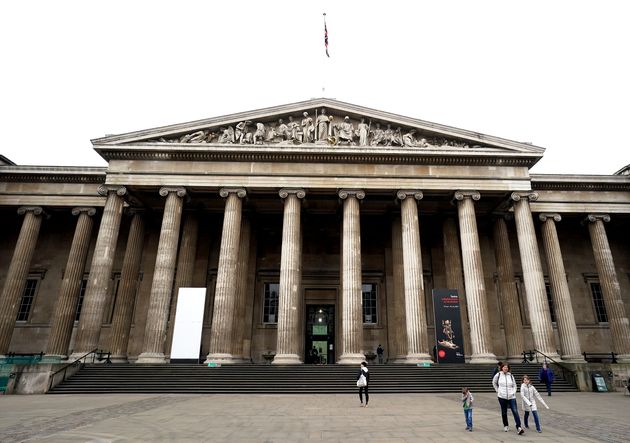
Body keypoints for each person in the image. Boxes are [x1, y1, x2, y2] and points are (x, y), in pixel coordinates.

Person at [492, 363, 525, 435]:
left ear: (508, 368)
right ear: (502, 368)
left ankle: (519, 427)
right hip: (502, 396)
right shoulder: (498, 375)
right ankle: (506, 425)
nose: (505, 368)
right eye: (504, 367)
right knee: (504, 411)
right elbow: (494, 383)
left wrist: (513, 392)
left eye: (507, 367)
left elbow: (514, 385)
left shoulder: (511, 375)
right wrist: (498, 391)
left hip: (511, 396)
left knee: (515, 411)